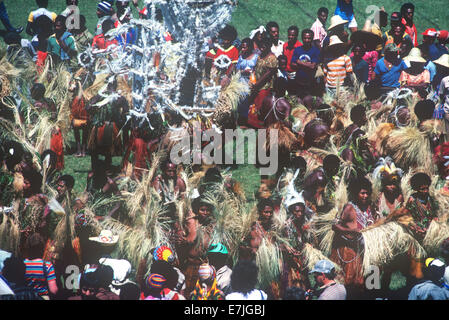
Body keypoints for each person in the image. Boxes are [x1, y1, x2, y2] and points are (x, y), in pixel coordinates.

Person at [330, 176, 378, 298]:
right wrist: (351, 230)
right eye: (362, 193)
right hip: (352, 250)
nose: (365, 196)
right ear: (356, 193)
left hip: (368, 249)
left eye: (367, 193)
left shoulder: (371, 207)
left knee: (372, 282)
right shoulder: (349, 208)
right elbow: (335, 226)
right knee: (355, 283)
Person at [23, 233, 58, 299]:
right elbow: (53, 290)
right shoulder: (47, 265)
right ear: (42, 248)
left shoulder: (22, 264)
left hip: (26, 296)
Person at [290, 29, 320, 98]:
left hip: (311, 83)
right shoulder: (297, 50)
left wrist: (298, 62)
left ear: (312, 39)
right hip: (298, 82)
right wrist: (307, 65)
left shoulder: (315, 50)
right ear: (302, 38)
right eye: (305, 38)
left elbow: (313, 66)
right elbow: (292, 65)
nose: (306, 40)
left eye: (309, 38)